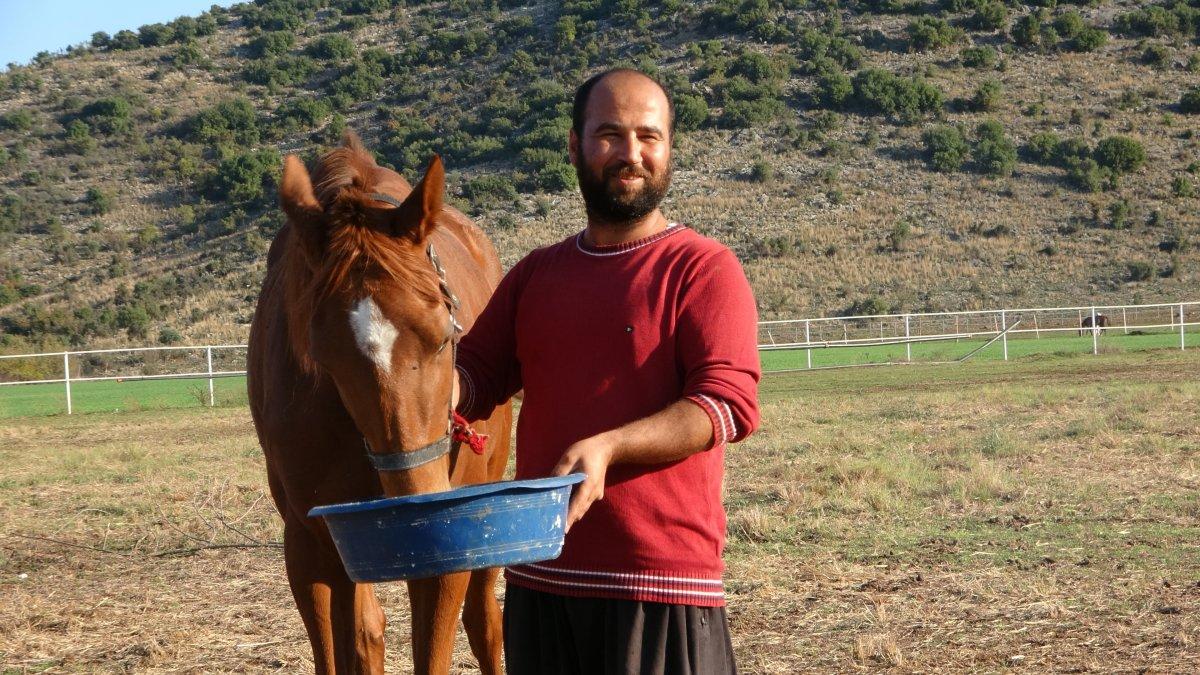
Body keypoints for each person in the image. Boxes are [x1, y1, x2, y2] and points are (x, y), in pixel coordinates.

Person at [453, 68, 761, 675]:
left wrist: (610, 447)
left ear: (670, 149)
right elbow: (474, 377)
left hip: (659, 584)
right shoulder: (536, 275)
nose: (631, 153)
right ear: (574, 146)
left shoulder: (702, 269)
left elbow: (726, 405)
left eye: (649, 136)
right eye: (610, 135)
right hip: (540, 579)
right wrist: (408, 381)